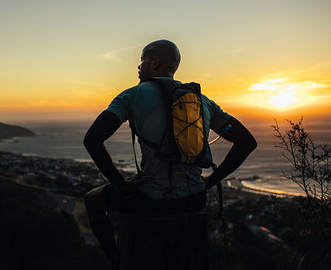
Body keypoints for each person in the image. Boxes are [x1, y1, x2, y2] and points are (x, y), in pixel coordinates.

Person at [83, 40, 257, 267]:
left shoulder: (132, 95)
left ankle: (116, 260)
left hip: (152, 200)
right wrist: (211, 180)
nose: (138, 66)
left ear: (153, 62)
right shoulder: (201, 101)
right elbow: (246, 142)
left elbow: (93, 139)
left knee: (92, 200)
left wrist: (121, 185)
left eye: (142, 60)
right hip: (195, 199)